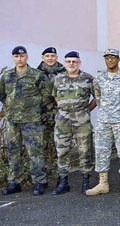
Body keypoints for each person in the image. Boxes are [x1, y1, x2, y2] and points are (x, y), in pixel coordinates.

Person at [86, 49, 120, 196]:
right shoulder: (99, 78)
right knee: (102, 151)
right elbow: (98, 96)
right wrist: (106, 111)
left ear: (118, 59)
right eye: (107, 58)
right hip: (104, 120)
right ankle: (103, 183)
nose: (110, 60)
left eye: (113, 58)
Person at [0, 46, 53, 195]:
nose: (19, 59)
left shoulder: (37, 75)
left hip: (32, 120)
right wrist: (12, 106)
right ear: (13, 58)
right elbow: (2, 94)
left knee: (35, 151)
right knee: (13, 151)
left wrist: (33, 107)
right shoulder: (7, 76)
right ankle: (14, 182)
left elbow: (46, 95)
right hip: (12, 120)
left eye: (22, 56)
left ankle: (39, 182)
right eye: (16, 56)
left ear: (27, 57)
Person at [50, 51, 96, 195]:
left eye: (74, 61)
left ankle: (85, 181)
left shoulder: (88, 79)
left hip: (82, 120)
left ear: (79, 62)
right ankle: (63, 182)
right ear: (65, 63)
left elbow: (97, 97)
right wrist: (64, 108)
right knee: (62, 151)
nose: (71, 64)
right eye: (69, 61)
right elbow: (55, 96)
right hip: (62, 121)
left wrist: (87, 109)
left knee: (85, 150)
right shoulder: (58, 79)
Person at [36, 47, 64, 183]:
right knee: (42, 146)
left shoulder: (65, 72)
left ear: (56, 57)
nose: (50, 58)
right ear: (43, 58)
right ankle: (43, 177)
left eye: (53, 55)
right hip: (40, 116)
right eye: (47, 55)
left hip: (60, 116)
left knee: (61, 147)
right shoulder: (35, 73)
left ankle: (61, 177)